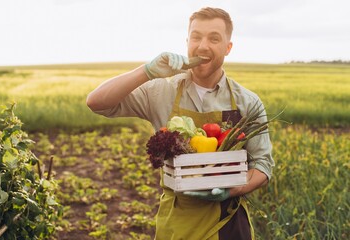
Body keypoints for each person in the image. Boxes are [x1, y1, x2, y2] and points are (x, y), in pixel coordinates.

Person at [87, 7, 274, 240]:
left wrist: (232, 190)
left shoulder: (247, 101)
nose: (203, 46)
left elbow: (263, 165)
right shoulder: (161, 91)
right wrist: (147, 71)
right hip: (176, 225)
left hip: (228, 225)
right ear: (187, 42)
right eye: (196, 37)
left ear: (228, 48)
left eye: (214, 38)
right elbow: (97, 102)